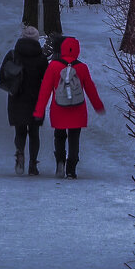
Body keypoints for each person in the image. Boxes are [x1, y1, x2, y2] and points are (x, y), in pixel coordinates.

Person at [33, 36, 104, 179]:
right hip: (77, 109)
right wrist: (98, 106)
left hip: (59, 108)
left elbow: (45, 90)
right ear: (77, 50)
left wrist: (39, 111)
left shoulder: (53, 66)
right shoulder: (82, 68)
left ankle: (60, 162)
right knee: (74, 137)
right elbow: (90, 89)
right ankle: (71, 168)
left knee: (59, 136)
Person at [7, 25, 49, 176]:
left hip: (17, 97)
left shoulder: (13, 55)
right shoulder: (41, 58)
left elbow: (3, 73)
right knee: (34, 132)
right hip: (35, 98)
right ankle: (33, 164)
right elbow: (47, 78)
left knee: (20, 130)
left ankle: (19, 154)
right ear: (37, 39)